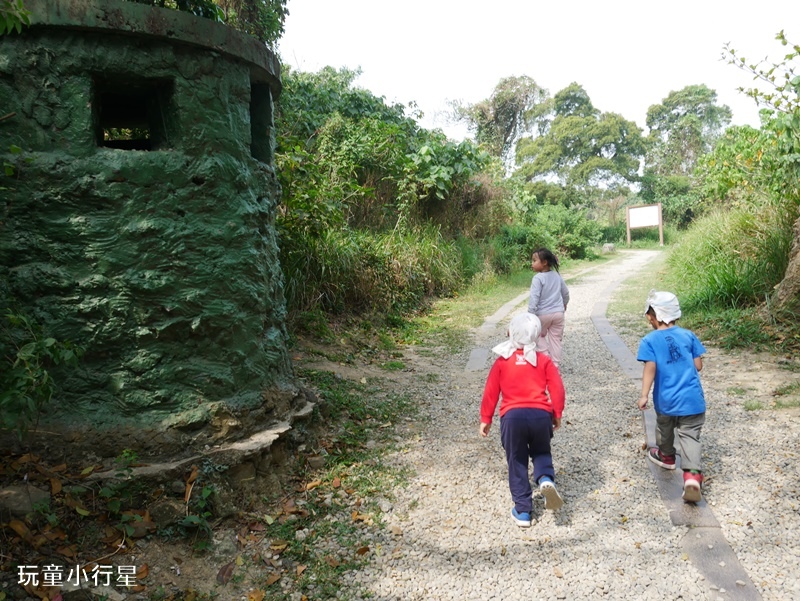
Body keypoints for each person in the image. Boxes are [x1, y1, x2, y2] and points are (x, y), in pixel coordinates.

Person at [479, 313, 566, 527]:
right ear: (536, 336)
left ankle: (523, 510)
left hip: (513, 417)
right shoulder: (543, 360)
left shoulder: (502, 362)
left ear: (510, 333)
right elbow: (557, 388)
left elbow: (491, 391)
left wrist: (486, 418)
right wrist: (556, 412)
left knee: (516, 460)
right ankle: (545, 478)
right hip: (540, 415)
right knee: (541, 451)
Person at [636, 290, 707, 503]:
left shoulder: (649, 340)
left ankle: (666, 456)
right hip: (693, 401)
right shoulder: (688, 335)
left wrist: (644, 395)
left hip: (666, 400)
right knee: (690, 436)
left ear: (653, 315)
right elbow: (698, 365)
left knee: (664, 428)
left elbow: (650, 367)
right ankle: (693, 477)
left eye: (648, 314)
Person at [527, 248, 570, 368]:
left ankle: (545, 360)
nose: (532, 263)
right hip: (558, 314)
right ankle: (555, 365)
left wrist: (530, 314)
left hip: (542, 315)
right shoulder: (557, 276)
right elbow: (565, 293)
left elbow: (534, 298)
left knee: (538, 336)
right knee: (556, 339)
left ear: (544, 262)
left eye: (534, 260)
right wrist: (564, 304)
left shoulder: (538, 278)